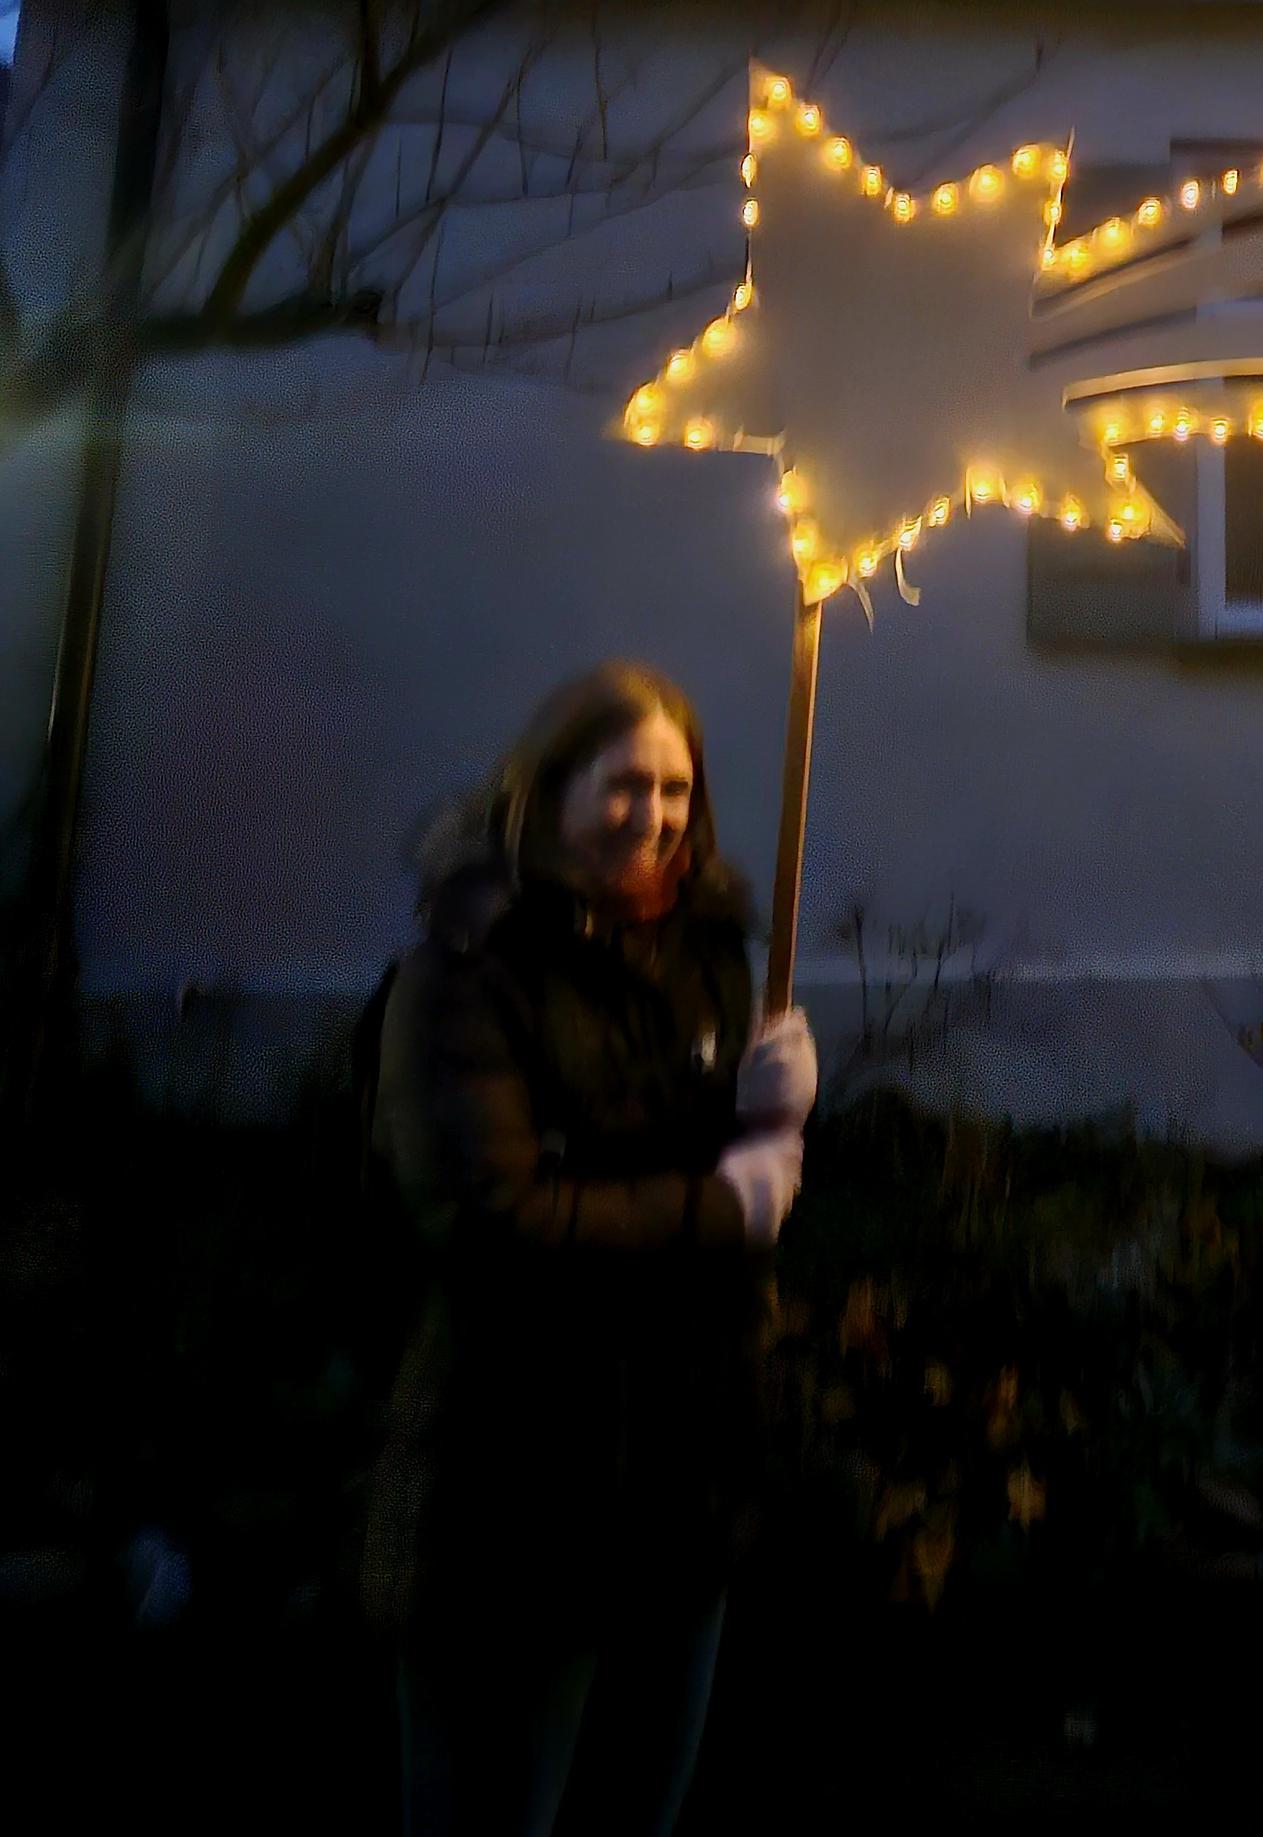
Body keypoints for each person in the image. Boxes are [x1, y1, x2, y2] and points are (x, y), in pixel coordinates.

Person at [363, 661, 817, 1837]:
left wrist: (784, 1109)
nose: (654, 814)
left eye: (676, 789)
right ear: (553, 783)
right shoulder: (467, 975)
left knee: (635, 1812)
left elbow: (727, 1178)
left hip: (680, 1481)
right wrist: (725, 1200)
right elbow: (490, 1222)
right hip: (516, 1493)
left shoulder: (713, 956)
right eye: (625, 783)